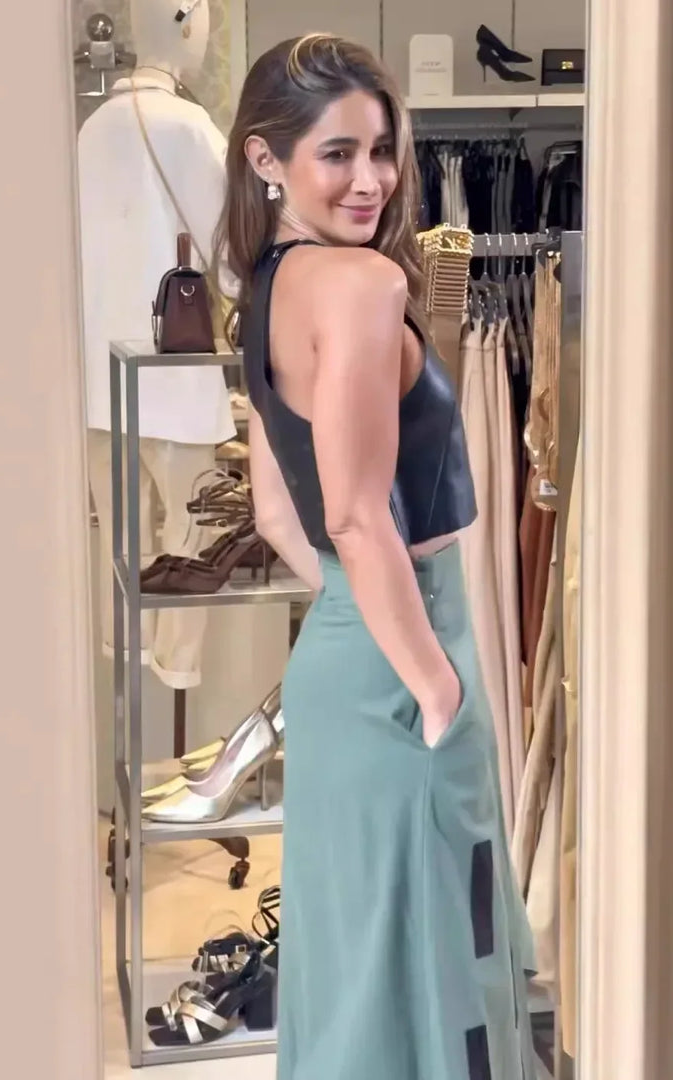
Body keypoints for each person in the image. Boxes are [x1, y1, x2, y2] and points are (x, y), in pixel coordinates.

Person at [221, 34, 540, 1079]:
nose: (372, 180)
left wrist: (359, 617)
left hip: (351, 655)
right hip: (408, 661)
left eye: (383, 150)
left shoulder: (267, 285)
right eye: (338, 154)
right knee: (438, 951)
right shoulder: (358, 284)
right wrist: (436, 684)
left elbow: (280, 511)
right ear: (267, 159)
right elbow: (356, 518)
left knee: (363, 963)